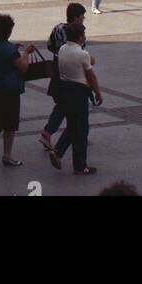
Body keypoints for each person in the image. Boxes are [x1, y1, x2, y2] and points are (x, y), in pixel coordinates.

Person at [0, 13, 36, 167]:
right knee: (10, 125)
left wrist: (13, 47)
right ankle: (7, 156)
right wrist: (26, 53)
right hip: (8, 90)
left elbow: (0, 52)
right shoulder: (8, 50)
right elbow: (23, 67)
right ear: (7, 31)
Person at [51, 22, 100, 174]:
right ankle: (80, 165)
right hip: (79, 92)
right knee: (81, 129)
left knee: (73, 125)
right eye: (84, 35)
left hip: (64, 90)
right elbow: (91, 76)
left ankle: (58, 152)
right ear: (80, 37)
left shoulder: (62, 49)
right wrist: (98, 92)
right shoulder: (82, 54)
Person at [40, 1, 87, 158]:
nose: (83, 20)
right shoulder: (75, 32)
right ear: (75, 18)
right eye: (82, 17)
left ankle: (54, 132)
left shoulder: (57, 28)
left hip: (57, 66)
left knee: (63, 104)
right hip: (71, 72)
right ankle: (50, 132)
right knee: (65, 105)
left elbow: (49, 45)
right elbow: (82, 50)